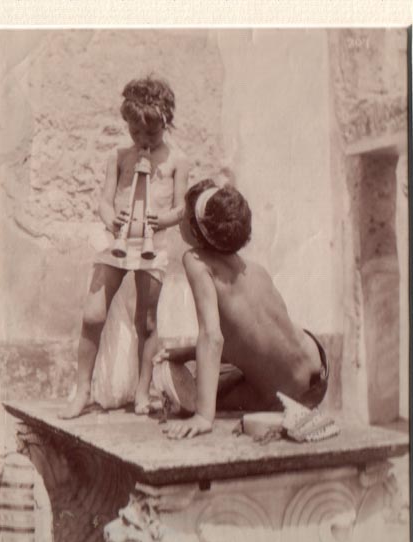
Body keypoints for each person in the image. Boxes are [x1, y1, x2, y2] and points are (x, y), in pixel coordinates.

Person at [157, 179, 329, 438]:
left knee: (205, 393)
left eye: (183, 213)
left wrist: (203, 416)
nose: (178, 218)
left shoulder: (196, 261)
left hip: (285, 397)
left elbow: (213, 337)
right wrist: (187, 352)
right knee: (219, 376)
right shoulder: (256, 271)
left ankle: (206, 408)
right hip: (318, 367)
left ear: (195, 229)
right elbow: (252, 343)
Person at [60, 76, 189, 419]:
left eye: (151, 134)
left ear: (166, 122)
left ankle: (142, 391)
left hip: (152, 243)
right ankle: (83, 390)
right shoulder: (118, 156)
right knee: (93, 314)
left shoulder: (177, 160)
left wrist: (162, 220)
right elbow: (104, 202)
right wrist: (110, 218)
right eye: (135, 132)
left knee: (146, 322)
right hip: (116, 241)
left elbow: (181, 208)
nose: (142, 140)